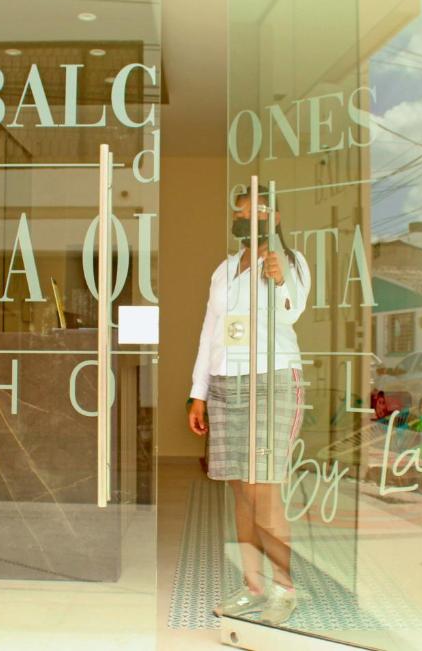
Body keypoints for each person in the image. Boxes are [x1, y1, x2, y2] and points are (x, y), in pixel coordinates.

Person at [187, 191, 310, 625]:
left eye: (257, 209)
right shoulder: (224, 270)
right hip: (225, 383)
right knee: (240, 488)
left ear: (274, 216)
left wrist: (279, 280)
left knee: (264, 488)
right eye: (240, 209)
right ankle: (253, 586)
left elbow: (293, 313)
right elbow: (210, 332)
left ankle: (284, 589)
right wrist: (197, 392)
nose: (246, 215)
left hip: (272, 379)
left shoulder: (289, 263)